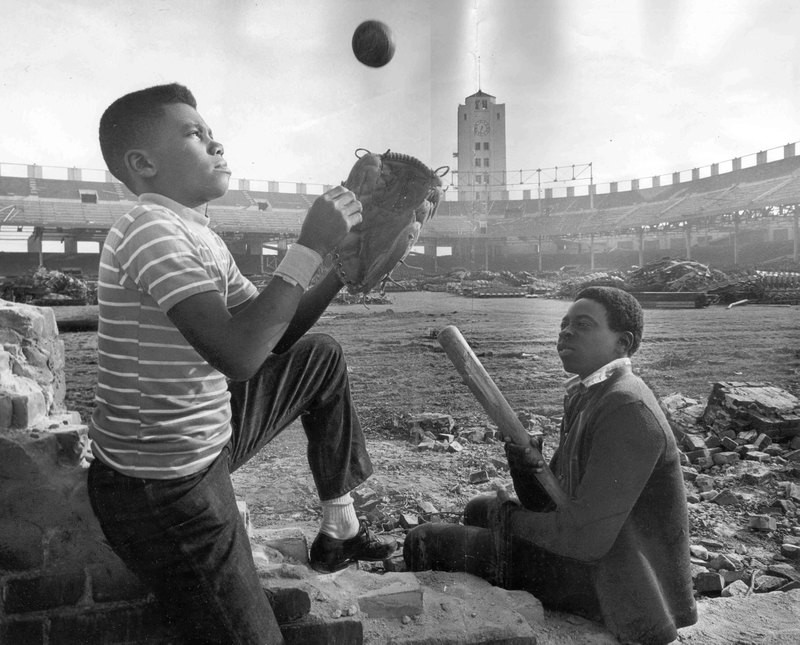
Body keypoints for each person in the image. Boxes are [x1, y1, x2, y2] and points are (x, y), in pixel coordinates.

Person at [86, 83, 396, 645]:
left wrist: (337, 267)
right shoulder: (150, 229)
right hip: (163, 488)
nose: (216, 142)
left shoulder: (197, 233)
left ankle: (340, 524)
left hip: (202, 447)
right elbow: (238, 356)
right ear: (143, 164)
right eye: (195, 134)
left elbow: (272, 332)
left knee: (318, 355)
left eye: (211, 132)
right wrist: (308, 245)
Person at [404, 286, 698, 645]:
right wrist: (523, 459)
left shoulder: (626, 408)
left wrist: (507, 519)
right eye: (564, 323)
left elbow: (585, 541)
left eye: (583, 325)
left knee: (422, 542)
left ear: (623, 343)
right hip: (597, 553)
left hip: (616, 585)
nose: (566, 332)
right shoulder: (590, 393)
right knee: (477, 508)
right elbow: (550, 502)